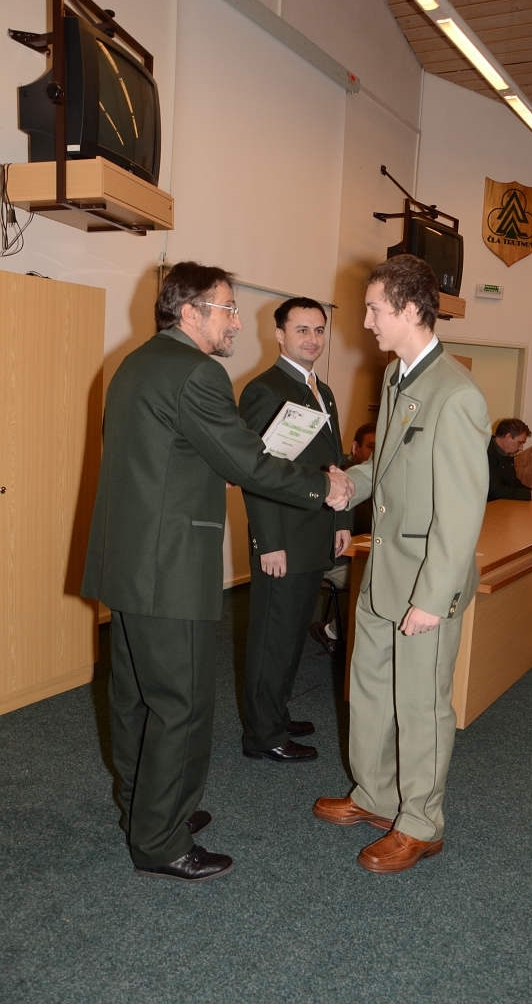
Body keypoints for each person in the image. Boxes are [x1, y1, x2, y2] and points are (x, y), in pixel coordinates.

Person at [81, 263, 353, 883]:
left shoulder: (134, 364)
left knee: (136, 700)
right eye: (227, 309)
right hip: (170, 568)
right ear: (190, 312)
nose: (235, 322)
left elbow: (159, 455)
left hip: (128, 561)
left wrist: (215, 466)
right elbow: (250, 461)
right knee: (180, 706)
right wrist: (324, 487)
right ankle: (161, 842)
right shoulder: (197, 371)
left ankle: (147, 811)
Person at [313, 254, 490, 874]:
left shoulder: (457, 395)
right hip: (383, 572)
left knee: (420, 706)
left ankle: (420, 822)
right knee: (367, 690)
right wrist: (349, 486)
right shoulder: (396, 376)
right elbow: (384, 467)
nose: (365, 322)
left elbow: (462, 512)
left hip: (425, 585)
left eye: (374, 310)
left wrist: (433, 599)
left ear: (411, 310)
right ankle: (375, 795)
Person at [238, 297, 351, 763]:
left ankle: (276, 714)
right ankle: (262, 735)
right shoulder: (265, 390)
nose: (313, 339)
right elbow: (256, 473)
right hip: (282, 540)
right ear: (279, 334)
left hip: (314, 534)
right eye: (302, 330)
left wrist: (340, 521)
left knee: (290, 637)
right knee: (273, 639)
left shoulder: (322, 390)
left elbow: (335, 463)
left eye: (319, 330)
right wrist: (269, 542)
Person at [310, 421, 376, 657]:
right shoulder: (338, 480)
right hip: (331, 560)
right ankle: (332, 632)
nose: (375, 456)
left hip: (359, 555)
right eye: (371, 447)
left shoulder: (380, 480)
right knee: (371, 582)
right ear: (355, 448)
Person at [487, 418, 532, 501]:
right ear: (508, 437)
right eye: (520, 443)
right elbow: (495, 490)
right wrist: (531, 495)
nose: (521, 448)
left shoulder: (507, 452)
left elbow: (513, 484)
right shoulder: (487, 453)